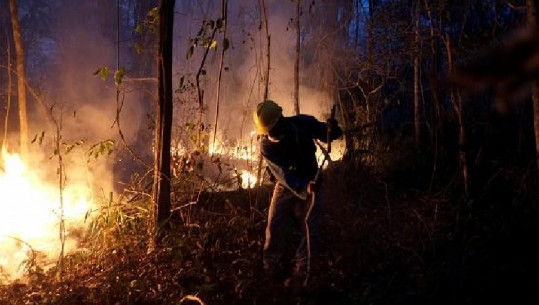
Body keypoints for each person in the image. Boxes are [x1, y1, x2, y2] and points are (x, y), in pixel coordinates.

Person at [253, 99, 342, 283]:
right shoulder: (266, 146)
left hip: (313, 179)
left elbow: (329, 134)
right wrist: (303, 188)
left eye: (276, 124)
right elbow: (282, 175)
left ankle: (302, 271)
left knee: (310, 226)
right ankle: (271, 266)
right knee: (274, 224)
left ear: (281, 119)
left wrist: (332, 129)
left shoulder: (301, 123)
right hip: (286, 185)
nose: (272, 132)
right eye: (269, 130)